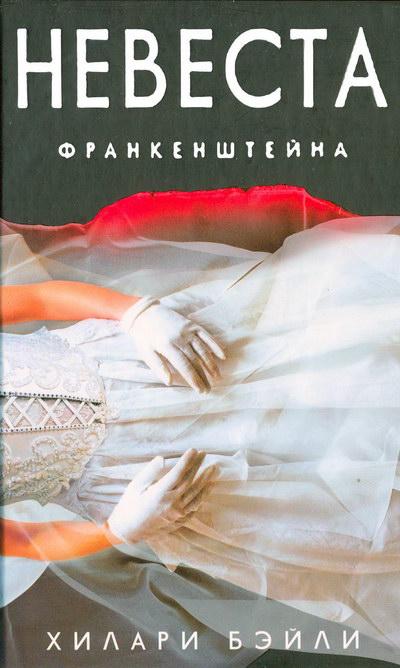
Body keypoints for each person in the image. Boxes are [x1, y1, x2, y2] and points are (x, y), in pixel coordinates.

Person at [1, 213, 400, 650]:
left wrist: (135, 314)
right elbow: (27, 542)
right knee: (347, 511)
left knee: (347, 351)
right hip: (142, 476)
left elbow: (37, 299)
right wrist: (117, 530)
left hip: (143, 357)